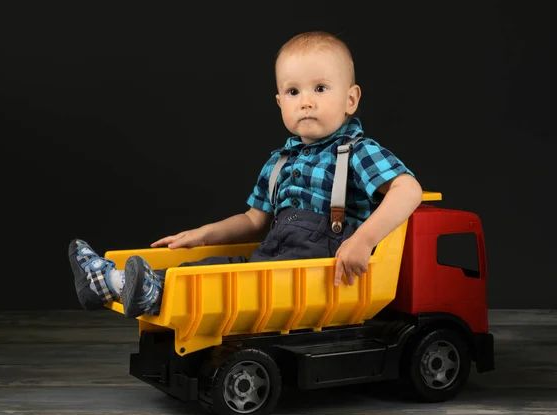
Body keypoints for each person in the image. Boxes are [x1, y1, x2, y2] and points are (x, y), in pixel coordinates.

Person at [68, 30, 423, 319]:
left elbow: (408, 190)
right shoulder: (280, 161)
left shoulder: (358, 151)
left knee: (218, 281)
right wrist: (205, 233)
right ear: (280, 102)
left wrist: (361, 241)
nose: (306, 101)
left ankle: (124, 283)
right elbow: (254, 220)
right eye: (293, 91)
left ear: (351, 99)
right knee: (210, 267)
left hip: (320, 271)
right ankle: (112, 282)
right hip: (272, 259)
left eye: (320, 88)